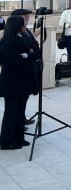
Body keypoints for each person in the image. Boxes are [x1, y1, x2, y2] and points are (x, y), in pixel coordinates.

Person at [0, 16, 35, 150]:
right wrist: (28, 56)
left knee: (20, 111)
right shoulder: (7, 41)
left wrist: (28, 55)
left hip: (23, 80)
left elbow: (32, 50)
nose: (25, 25)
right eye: (22, 23)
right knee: (11, 112)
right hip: (12, 81)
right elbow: (16, 60)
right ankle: (6, 140)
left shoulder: (22, 37)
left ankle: (19, 137)